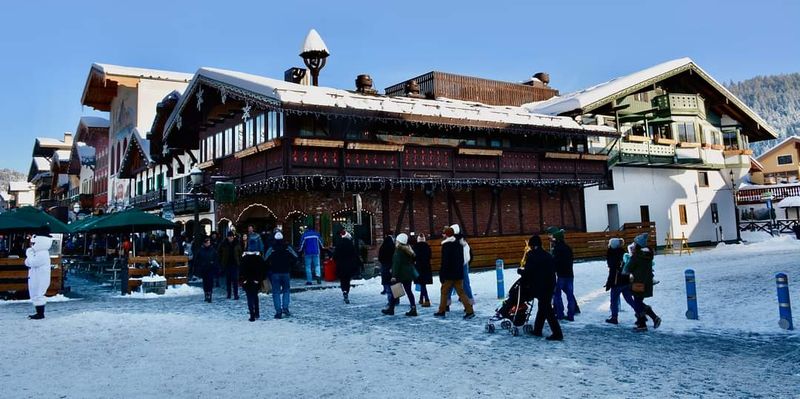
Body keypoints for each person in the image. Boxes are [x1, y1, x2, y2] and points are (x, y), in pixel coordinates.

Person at [524, 235, 563, 341]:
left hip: (540, 286)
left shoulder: (532, 255)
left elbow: (528, 271)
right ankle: (537, 329)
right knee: (543, 307)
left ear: (533, 246)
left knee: (547, 310)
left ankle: (557, 333)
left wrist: (521, 272)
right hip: (550, 285)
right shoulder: (547, 255)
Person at [434, 227, 475, 319]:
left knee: (444, 292)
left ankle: (442, 310)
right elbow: (462, 259)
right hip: (458, 273)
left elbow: (445, 262)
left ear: (447, 235)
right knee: (461, 292)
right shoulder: (459, 244)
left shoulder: (446, 245)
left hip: (449, 273)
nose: (443, 235)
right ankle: (469, 310)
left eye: (444, 233)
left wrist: (442, 274)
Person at [627, 233, 661, 332]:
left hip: (637, 283)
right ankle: (648, 320)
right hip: (647, 282)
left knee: (637, 303)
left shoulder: (637, 256)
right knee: (638, 302)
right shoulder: (648, 255)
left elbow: (629, 268)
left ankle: (644, 323)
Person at [265, 232, 298, 319]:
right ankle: (285, 308)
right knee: (286, 291)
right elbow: (295, 256)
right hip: (286, 272)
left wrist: (269, 267)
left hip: (275, 272)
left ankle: (278, 311)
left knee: (276, 292)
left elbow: (265, 259)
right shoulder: (287, 247)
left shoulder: (272, 248)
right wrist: (290, 265)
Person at [383, 233, 417, 316]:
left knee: (396, 291)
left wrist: (394, 276)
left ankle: (391, 308)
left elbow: (396, 264)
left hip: (400, 274)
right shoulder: (409, 249)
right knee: (409, 291)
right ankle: (413, 308)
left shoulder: (398, 251)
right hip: (408, 274)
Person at [604, 238, 636, 324]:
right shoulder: (623, 253)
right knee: (629, 299)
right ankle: (640, 313)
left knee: (614, 300)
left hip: (616, 282)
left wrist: (608, 283)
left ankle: (614, 317)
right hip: (625, 280)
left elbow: (612, 271)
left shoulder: (611, 254)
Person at [25, 232, 54, 320]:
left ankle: (40, 313)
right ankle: (39, 312)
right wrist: (30, 258)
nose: (32, 245)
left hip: (40, 278)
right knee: (35, 294)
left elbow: (32, 262)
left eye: (34, 243)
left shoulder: (42, 253)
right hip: (37, 276)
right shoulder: (39, 252)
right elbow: (27, 263)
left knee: (38, 294)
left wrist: (29, 253)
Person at [549, 228, 577, 321]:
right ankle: (571, 315)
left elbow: (555, 261)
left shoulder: (557, 249)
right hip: (570, 274)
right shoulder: (568, 248)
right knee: (570, 295)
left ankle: (560, 314)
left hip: (561, 275)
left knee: (557, 294)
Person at [333, 230, 359, 304]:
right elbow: (354, 254)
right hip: (349, 265)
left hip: (341, 265)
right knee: (347, 280)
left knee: (342, 279)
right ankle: (346, 291)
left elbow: (335, 256)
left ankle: (344, 290)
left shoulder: (339, 244)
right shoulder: (350, 244)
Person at [240, 251, 265, 322]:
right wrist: (259, 279)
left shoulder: (244, 257)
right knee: (255, 296)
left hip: (247, 280)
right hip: (255, 280)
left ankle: (252, 314)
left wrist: (243, 280)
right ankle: (256, 313)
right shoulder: (258, 258)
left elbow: (241, 269)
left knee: (249, 297)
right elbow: (263, 269)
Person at [194, 236, 219, 303]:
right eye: (207, 242)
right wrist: (199, 266)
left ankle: (210, 295)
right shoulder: (201, 250)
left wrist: (214, 264)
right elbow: (197, 259)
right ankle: (206, 294)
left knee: (210, 282)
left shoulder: (213, 250)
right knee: (205, 282)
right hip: (204, 269)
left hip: (210, 268)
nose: (208, 244)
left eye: (209, 242)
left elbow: (216, 258)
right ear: (204, 243)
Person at [219, 231, 243, 300]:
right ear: (227, 237)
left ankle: (236, 294)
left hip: (235, 264)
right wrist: (221, 261)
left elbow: (240, 253)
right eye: (230, 236)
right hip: (227, 264)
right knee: (228, 280)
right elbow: (219, 253)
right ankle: (229, 294)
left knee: (235, 280)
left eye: (232, 236)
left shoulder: (237, 243)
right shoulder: (223, 244)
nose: (231, 238)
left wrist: (240, 261)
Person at [412, 233, 432, 307]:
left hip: (418, 267)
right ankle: (421, 299)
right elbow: (430, 256)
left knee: (422, 283)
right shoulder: (427, 247)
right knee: (423, 283)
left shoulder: (415, 247)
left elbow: (413, 257)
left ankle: (426, 300)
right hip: (426, 267)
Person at [378, 234, 395, 303]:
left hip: (385, 266)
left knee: (387, 284)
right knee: (395, 284)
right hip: (393, 267)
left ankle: (390, 300)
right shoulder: (393, 247)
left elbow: (380, 258)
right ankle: (396, 299)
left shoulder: (382, 247)